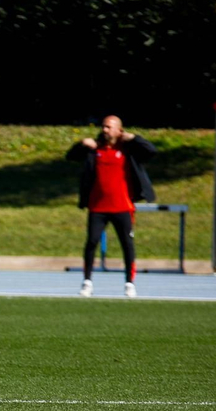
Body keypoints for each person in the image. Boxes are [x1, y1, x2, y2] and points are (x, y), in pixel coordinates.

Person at [66, 115, 157, 297]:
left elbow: (151, 151)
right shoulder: (95, 149)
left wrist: (133, 138)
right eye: (103, 127)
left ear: (118, 130)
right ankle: (87, 282)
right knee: (91, 242)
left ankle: (129, 283)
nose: (104, 130)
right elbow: (70, 156)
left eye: (109, 127)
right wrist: (82, 144)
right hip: (98, 207)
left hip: (122, 207)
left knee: (127, 245)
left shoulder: (128, 150)